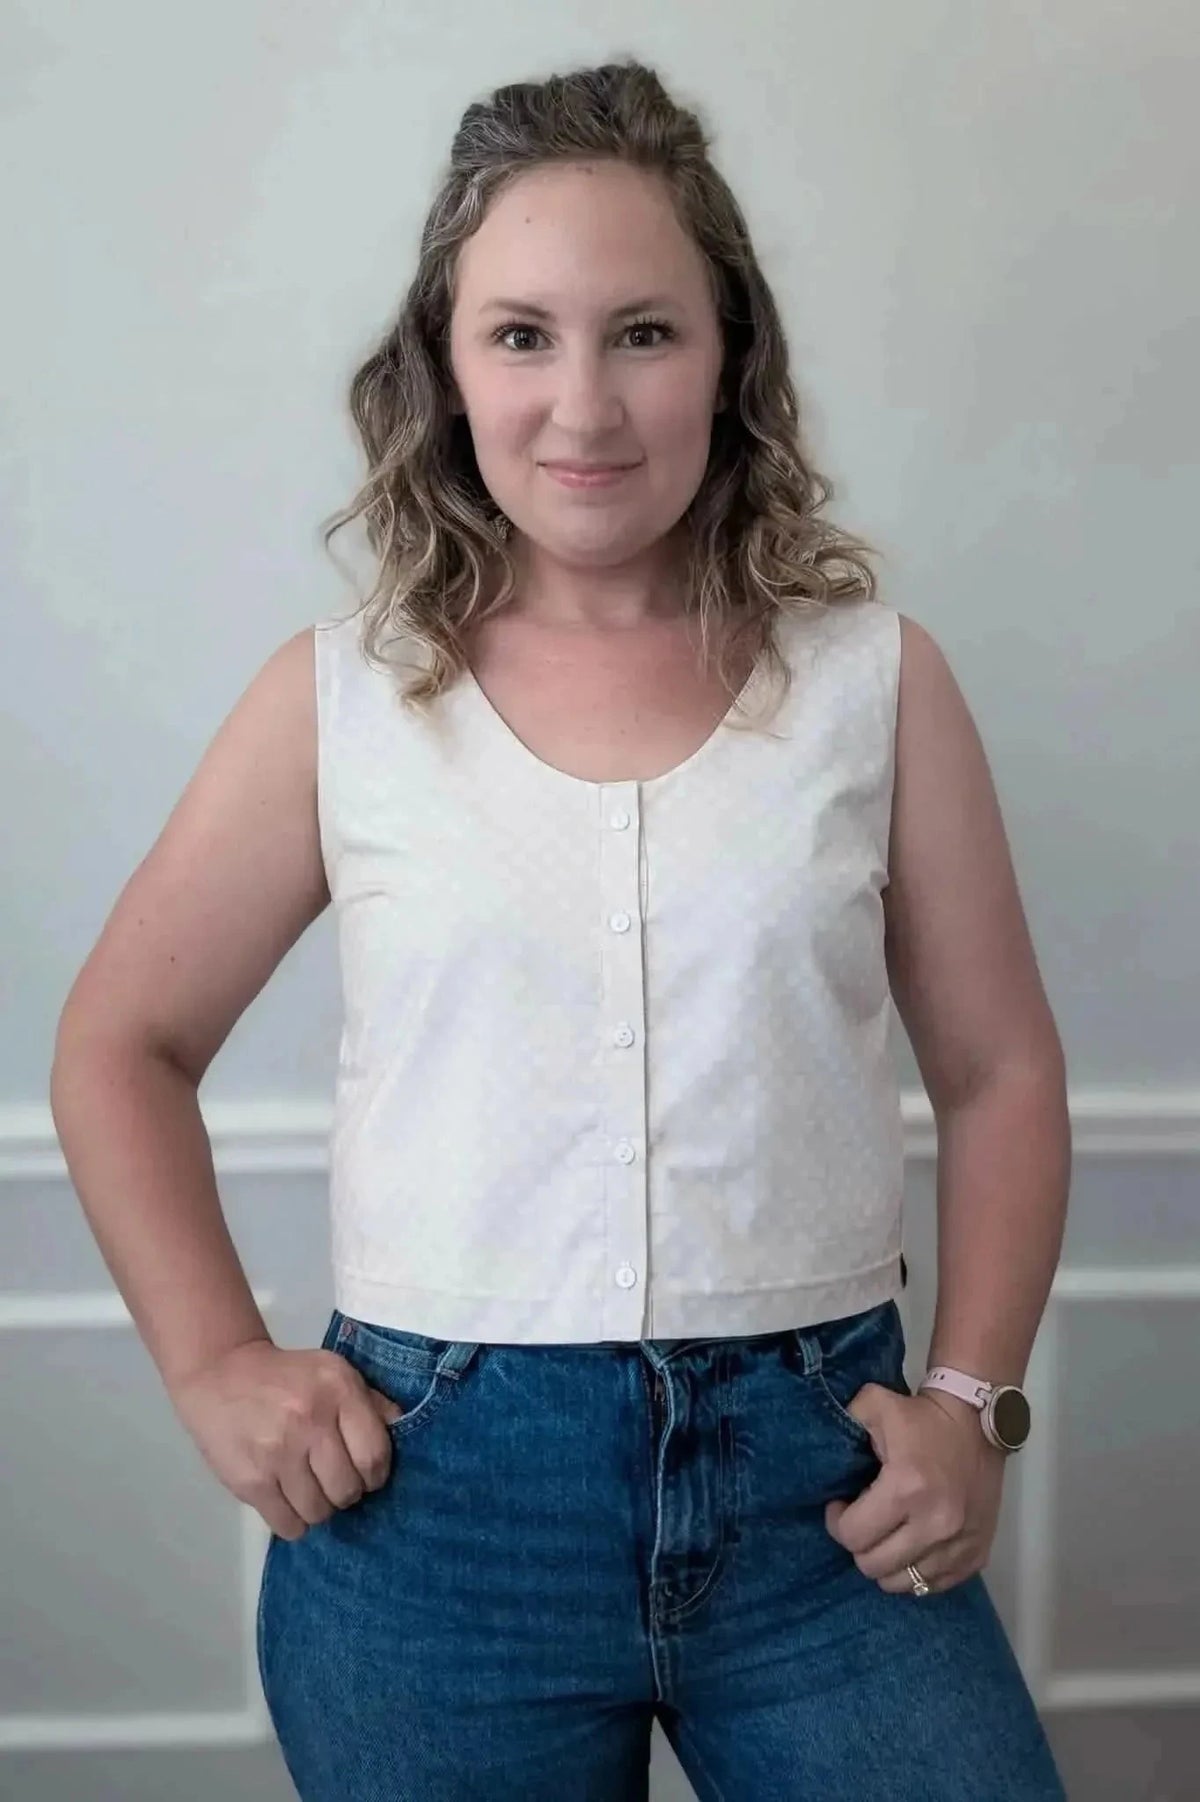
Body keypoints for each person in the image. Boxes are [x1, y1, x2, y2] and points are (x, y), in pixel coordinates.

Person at [49, 57, 1072, 1802]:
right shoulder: (342, 700)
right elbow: (117, 1047)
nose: (582, 404)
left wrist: (973, 1400)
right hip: (437, 1527)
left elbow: (997, 1069)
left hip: (824, 1497)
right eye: (522, 333)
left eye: (643, 332)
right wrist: (216, 1360)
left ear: (730, 352)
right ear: (444, 366)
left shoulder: (874, 682)